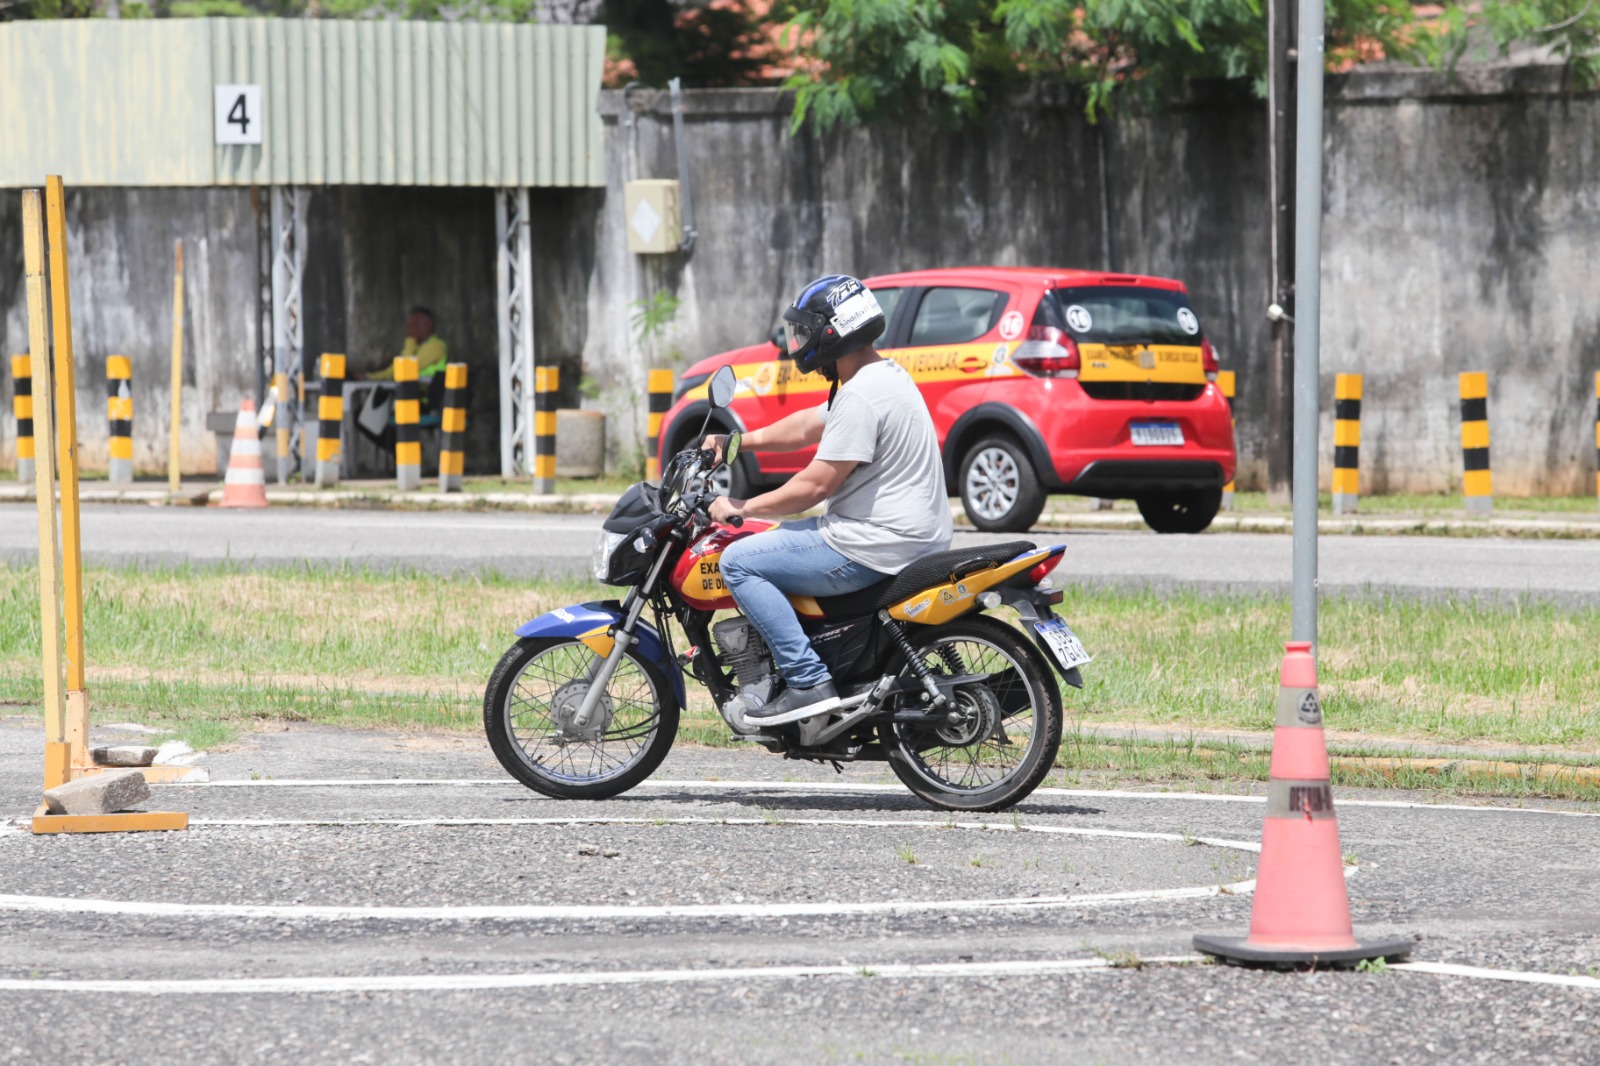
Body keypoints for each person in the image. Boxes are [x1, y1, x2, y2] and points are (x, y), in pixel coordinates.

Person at [705, 274, 953, 726]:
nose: (798, 340)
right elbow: (806, 425)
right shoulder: (881, 376)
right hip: (909, 538)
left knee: (739, 561)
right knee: (777, 541)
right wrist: (737, 442)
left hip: (872, 544)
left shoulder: (861, 394)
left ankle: (807, 682)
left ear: (833, 330)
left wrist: (742, 507)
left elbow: (815, 487)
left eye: (804, 329)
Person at [366, 307, 448, 383]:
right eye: (409, 324)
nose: (411, 327)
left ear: (429, 325)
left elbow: (405, 369)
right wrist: (369, 377)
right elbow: (392, 371)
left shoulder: (435, 346)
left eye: (416, 324)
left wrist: (410, 338)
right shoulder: (415, 347)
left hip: (426, 397)